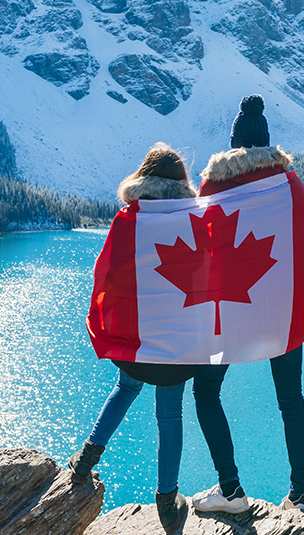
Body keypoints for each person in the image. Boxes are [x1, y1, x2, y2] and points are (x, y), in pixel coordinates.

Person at [190, 95, 304, 515]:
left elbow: (198, 243)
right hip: (279, 307)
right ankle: (300, 496)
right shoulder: (287, 182)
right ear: (265, 142)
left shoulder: (213, 184)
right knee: (291, 400)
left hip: (230, 306)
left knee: (206, 391)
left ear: (233, 142)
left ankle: (231, 492)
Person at [69, 143, 200, 535]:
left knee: (125, 388)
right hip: (177, 340)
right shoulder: (193, 220)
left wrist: (109, 321)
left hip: (138, 339)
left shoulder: (129, 219)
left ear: (143, 179)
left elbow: (106, 272)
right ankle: (166, 499)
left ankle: (85, 458)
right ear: (181, 184)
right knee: (170, 414)